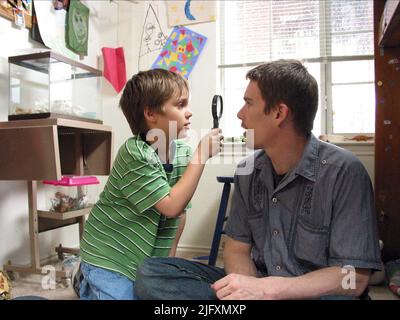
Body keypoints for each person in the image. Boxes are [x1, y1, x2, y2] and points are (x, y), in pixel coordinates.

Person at [134, 59, 382, 300]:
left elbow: (355, 279)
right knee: (151, 273)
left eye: (248, 104)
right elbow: (235, 250)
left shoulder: (344, 172)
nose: (240, 114)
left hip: (312, 292)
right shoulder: (247, 171)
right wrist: (250, 289)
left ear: (278, 113)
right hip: (260, 284)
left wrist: (270, 291)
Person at [78, 69, 222, 300]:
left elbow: (179, 212)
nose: (190, 112)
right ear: (151, 113)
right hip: (107, 258)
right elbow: (170, 206)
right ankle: (85, 279)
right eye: (181, 104)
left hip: (143, 260)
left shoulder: (183, 153)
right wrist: (202, 155)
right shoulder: (135, 153)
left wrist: (169, 263)